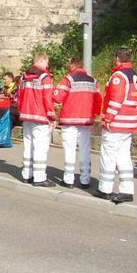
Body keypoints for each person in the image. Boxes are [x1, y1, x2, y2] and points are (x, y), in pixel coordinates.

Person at [97, 48, 137, 203]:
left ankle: (105, 189)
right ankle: (127, 190)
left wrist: (108, 119)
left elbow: (115, 100)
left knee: (108, 156)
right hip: (128, 124)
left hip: (116, 123)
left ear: (117, 58)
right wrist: (135, 117)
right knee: (124, 157)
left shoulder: (118, 76)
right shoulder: (134, 76)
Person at [52, 57, 101, 188]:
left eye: (69, 63)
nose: (68, 65)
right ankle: (85, 179)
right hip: (86, 120)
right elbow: (98, 100)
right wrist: (94, 114)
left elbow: (57, 97)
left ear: (73, 64)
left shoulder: (68, 79)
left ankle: (68, 179)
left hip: (70, 119)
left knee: (70, 149)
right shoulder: (93, 81)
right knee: (85, 150)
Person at [17, 52, 55, 186]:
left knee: (28, 145)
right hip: (40, 116)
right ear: (41, 60)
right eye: (46, 62)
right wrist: (52, 116)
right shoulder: (45, 77)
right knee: (40, 147)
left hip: (26, 115)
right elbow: (47, 99)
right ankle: (39, 177)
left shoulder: (23, 77)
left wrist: (21, 111)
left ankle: (27, 174)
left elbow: (19, 96)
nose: (47, 65)